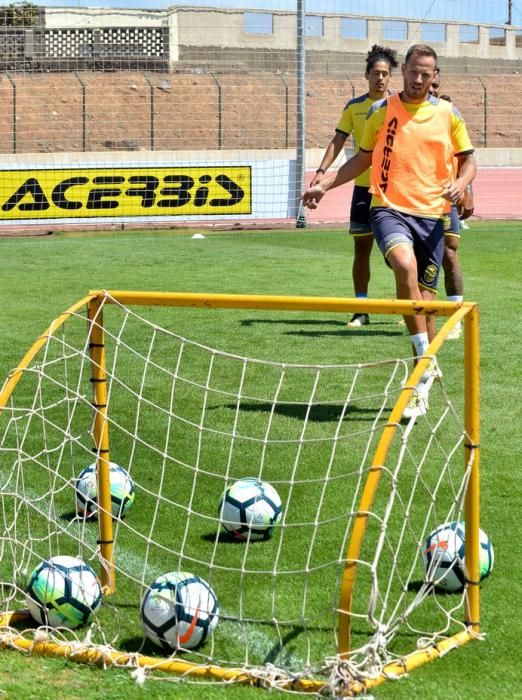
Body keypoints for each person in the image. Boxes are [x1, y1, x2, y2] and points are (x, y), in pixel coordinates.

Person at [301, 44, 477, 418]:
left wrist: (462, 185)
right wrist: (324, 184)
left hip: (431, 216)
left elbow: (469, 161)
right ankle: (419, 375)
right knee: (404, 266)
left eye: (425, 74)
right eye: (412, 72)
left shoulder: (449, 114)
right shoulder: (383, 111)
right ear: (404, 71)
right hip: (388, 208)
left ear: (434, 75)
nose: (417, 79)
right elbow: (362, 158)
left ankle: (423, 372)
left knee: (425, 307)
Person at [311, 45, 399, 328]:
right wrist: (321, 171)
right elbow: (338, 140)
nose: (381, 78)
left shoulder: (399, 105)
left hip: (393, 190)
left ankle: (409, 305)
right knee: (361, 250)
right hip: (363, 188)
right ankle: (361, 309)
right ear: (366, 75)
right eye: (376, 73)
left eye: (385, 74)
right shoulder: (354, 107)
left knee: (398, 253)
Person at [429, 69, 474, 340]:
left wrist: (467, 190)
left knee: (449, 253)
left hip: (446, 199)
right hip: (412, 201)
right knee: (410, 258)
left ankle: (455, 314)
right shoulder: (404, 112)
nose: (431, 89)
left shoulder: (450, 113)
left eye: (435, 84)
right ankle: (422, 307)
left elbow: (466, 157)